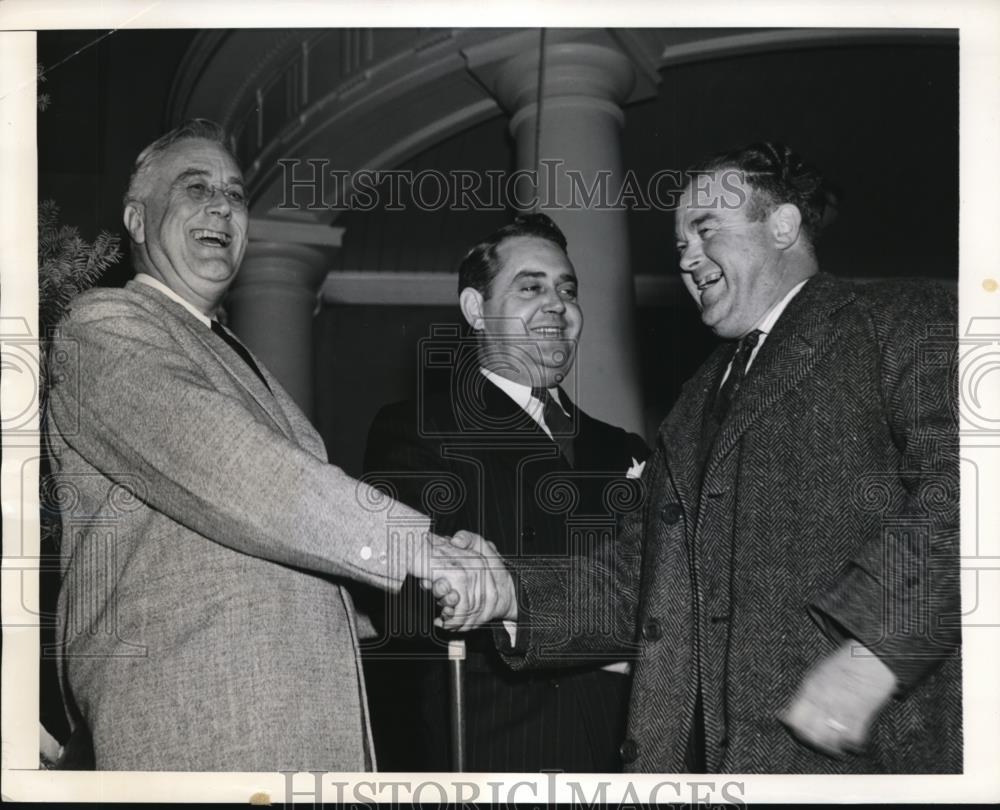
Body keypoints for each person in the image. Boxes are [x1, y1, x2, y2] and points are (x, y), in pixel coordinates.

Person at [445, 143, 961, 774]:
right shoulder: (693, 404)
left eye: (705, 227)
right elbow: (640, 577)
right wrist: (513, 596)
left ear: (783, 225)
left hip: (876, 762)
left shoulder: (904, 319)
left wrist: (874, 653)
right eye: (678, 241)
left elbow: (972, 489)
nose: (686, 256)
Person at [45, 119, 511, 772]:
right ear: (137, 219)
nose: (220, 206)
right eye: (195, 186)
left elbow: (291, 557)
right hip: (206, 738)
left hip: (292, 741)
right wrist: (416, 548)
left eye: (235, 194)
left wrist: (427, 590)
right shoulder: (104, 328)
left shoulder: (235, 359)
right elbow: (230, 464)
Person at [362, 213, 649, 772]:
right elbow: (411, 595)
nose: (557, 304)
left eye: (567, 289)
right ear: (475, 309)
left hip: (625, 754)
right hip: (497, 753)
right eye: (531, 287)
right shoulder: (421, 429)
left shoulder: (623, 447)